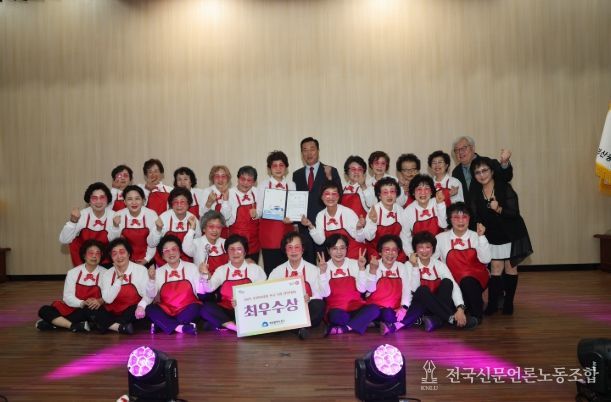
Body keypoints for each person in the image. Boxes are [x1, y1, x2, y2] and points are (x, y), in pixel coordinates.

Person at [470, 157, 532, 315]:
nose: (482, 175)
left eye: (484, 170)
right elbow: (474, 213)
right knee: (495, 269)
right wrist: (477, 224)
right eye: (477, 172)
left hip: (510, 232)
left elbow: (514, 213)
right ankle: (492, 304)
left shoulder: (504, 187)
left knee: (511, 267)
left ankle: (509, 303)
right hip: (492, 234)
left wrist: (498, 209)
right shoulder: (475, 191)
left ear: (492, 171)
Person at [391, 232, 477, 334]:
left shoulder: (440, 265)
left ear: (433, 249)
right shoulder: (408, 265)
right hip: (418, 306)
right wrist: (415, 267)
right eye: (420, 247)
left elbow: (454, 286)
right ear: (415, 249)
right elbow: (413, 290)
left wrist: (460, 308)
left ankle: (436, 320)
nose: (424, 251)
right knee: (422, 290)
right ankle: (450, 319)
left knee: (447, 282)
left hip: (437, 306)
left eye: (428, 247)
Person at [199, 234, 267, 332]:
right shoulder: (221, 270)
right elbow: (209, 289)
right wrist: (205, 275)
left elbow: (263, 292)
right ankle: (235, 327)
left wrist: (244, 301)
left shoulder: (255, 269)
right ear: (227, 252)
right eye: (231, 249)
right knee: (205, 308)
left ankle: (224, 324)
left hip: (248, 309)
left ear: (245, 252)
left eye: (239, 249)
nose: (235, 253)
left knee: (208, 324)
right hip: (227, 310)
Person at [436, 202, 491, 321]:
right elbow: (434, 262)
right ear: (450, 219)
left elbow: (486, 259)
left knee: (468, 281)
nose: (461, 221)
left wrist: (482, 237)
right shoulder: (440, 238)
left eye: (464, 217)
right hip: (452, 280)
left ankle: (476, 317)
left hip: (475, 279)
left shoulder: (476, 236)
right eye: (456, 217)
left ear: (469, 219)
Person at [268, 232, 329, 339]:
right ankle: (299, 329)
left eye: (297, 247)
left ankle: (286, 326)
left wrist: (309, 298)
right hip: (285, 311)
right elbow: (268, 295)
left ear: (302, 249)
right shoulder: (277, 272)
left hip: (306, 311)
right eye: (290, 247)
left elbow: (322, 294)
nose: (293, 251)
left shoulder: (313, 270)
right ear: (285, 250)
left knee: (318, 305)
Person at [36, 240, 106, 332]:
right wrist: (82, 303)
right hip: (73, 308)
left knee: (95, 313)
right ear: (84, 255)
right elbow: (67, 296)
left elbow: (108, 295)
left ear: (101, 255)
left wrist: (98, 301)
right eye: (91, 253)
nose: (94, 256)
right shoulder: (73, 273)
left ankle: (56, 323)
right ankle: (74, 326)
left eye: (97, 253)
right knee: (44, 310)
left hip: (92, 309)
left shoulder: (106, 273)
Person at [292, 137, 342, 264]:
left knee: (327, 264)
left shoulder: (330, 170)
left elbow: (339, 195)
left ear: (318, 151)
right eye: (305, 150)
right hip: (304, 228)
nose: (309, 153)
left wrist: (329, 178)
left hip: (325, 226)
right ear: (301, 153)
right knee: (307, 265)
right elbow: (294, 200)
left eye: (312, 149)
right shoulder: (296, 174)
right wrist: (295, 224)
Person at [318, 234, 379, 335]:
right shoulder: (323, 266)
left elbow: (362, 290)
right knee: (336, 316)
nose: (339, 252)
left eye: (342, 248)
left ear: (347, 249)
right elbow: (324, 294)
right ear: (328, 251)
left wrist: (361, 268)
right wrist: (323, 273)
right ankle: (361, 322)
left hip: (356, 308)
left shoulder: (355, 263)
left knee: (374, 310)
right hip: (337, 311)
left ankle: (346, 328)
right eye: (334, 248)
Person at [145, 235, 204, 335]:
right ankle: (180, 327)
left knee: (197, 307)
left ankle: (163, 325)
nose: (171, 253)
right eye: (166, 251)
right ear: (162, 256)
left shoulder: (192, 268)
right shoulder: (158, 272)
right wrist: (151, 280)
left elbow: (200, 291)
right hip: (166, 311)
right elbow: (151, 295)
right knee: (150, 309)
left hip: (187, 310)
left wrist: (204, 277)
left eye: (174, 249)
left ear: (180, 251)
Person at [95, 238, 153, 334]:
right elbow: (107, 299)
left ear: (129, 253)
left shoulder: (140, 270)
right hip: (113, 312)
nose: (119, 257)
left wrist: (141, 306)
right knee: (94, 309)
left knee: (148, 308)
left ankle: (109, 325)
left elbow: (148, 295)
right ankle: (119, 327)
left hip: (133, 311)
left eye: (122, 252)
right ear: (111, 257)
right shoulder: (107, 274)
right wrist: (119, 280)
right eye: (114, 254)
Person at [364, 235, 418, 334]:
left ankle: (387, 324)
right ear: (380, 252)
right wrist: (373, 271)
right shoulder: (372, 265)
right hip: (376, 309)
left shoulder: (401, 267)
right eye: (387, 250)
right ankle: (390, 323)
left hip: (395, 309)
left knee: (417, 307)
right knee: (386, 313)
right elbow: (368, 290)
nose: (390, 253)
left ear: (398, 252)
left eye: (394, 250)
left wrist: (404, 308)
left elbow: (406, 289)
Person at [301, 182, 367, 260]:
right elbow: (320, 241)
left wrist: (359, 228)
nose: (330, 197)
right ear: (321, 197)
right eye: (327, 194)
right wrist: (310, 226)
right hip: (336, 258)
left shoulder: (348, 213)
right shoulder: (320, 215)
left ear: (339, 196)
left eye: (334, 194)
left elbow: (360, 239)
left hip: (354, 256)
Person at [257, 151, 297, 274]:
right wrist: (255, 214)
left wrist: (293, 218)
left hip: (286, 230)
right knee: (271, 269)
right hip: (269, 234)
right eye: (274, 165)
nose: (278, 168)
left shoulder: (291, 184)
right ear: (269, 169)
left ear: (286, 168)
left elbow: (294, 208)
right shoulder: (263, 185)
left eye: (281, 165)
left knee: (288, 268)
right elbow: (259, 210)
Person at [59, 182, 113, 267]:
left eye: (102, 198)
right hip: (83, 262)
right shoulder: (81, 215)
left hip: (107, 262)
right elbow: (64, 240)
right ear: (89, 201)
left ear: (108, 200)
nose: (98, 202)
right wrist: (73, 221)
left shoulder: (114, 216)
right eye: (94, 198)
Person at [451, 136, 512, 206]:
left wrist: (504, 163)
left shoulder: (489, 163)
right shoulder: (456, 172)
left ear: (473, 148)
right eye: (457, 150)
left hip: (492, 209)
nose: (460, 152)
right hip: (469, 212)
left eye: (463, 148)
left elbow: (506, 177)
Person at [107, 185, 159, 266]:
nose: (134, 202)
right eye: (129, 199)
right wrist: (115, 227)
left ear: (143, 200)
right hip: (124, 261)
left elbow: (152, 243)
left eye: (137, 198)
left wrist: (147, 259)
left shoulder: (151, 214)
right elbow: (113, 242)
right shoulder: (119, 214)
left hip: (147, 260)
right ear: (124, 201)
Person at [363, 177, 411, 262]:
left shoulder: (400, 211)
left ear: (397, 194)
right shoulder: (374, 210)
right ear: (379, 196)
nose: (389, 195)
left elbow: (405, 236)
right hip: (376, 251)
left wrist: (410, 254)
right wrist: (373, 222)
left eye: (392, 191)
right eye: (385, 192)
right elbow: (368, 237)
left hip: (395, 251)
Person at [153, 187, 201, 266]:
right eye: (175, 202)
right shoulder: (164, 217)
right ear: (171, 204)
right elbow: (152, 243)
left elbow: (197, 246)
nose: (179, 205)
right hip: (165, 262)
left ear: (189, 203)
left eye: (182, 202)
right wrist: (158, 230)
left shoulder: (193, 219)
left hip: (187, 262)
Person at [403, 174, 448, 252]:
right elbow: (405, 237)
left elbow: (444, 225)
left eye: (426, 188)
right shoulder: (408, 211)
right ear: (413, 192)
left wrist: (440, 204)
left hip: (440, 248)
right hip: (420, 251)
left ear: (431, 192)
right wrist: (411, 254)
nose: (423, 193)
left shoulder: (437, 202)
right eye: (419, 189)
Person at [227, 166, 260, 262]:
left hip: (254, 242)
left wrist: (257, 214)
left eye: (249, 180)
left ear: (254, 182)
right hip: (236, 243)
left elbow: (263, 212)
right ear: (238, 179)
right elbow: (226, 219)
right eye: (243, 179)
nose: (245, 183)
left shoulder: (257, 192)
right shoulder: (229, 193)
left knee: (253, 268)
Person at [183, 210, 229, 276]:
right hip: (203, 281)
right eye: (211, 227)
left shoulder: (225, 242)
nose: (215, 230)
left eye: (218, 227)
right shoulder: (197, 243)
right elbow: (186, 249)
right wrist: (192, 229)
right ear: (204, 228)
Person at [201, 165, 232, 238]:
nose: (220, 179)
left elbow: (226, 217)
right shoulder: (206, 192)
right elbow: (202, 216)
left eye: (223, 176)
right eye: (217, 176)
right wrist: (208, 203)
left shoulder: (231, 192)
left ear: (227, 178)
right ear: (212, 178)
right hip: (209, 232)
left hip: (225, 232)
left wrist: (225, 200)